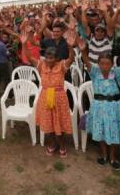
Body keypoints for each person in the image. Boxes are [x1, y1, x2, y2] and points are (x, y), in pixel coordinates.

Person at [80, 38, 120, 170]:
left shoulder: (115, 73)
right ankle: (104, 155)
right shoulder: (94, 73)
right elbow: (87, 62)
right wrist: (83, 51)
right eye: (102, 63)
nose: (105, 66)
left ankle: (113, 157)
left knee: (114, 132)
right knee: (101, 131)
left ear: (112, 64)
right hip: (99, 107)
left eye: (107, 64)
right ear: (98, 64)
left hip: (115, 107)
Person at [21, 27, 76, 158]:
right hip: (45, 97)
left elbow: (71, 59)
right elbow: (29, 56)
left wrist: (70, 47)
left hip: (59, 99)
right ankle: (52, 144)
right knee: (48, 123)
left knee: (60, 123)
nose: (49, 60)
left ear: (56, 58)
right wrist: (24, 44)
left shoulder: (61, 65)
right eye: (47, 57)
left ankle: (62, 145)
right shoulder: (41, 65)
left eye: (51, 58)